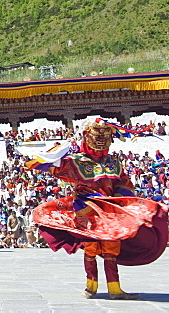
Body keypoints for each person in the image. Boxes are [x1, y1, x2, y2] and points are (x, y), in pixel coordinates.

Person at [26, 118, 168, 300]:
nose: (101, 140)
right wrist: (57, 151)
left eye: (105, 136)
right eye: (96, 135)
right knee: (91, 248)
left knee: (111, 247)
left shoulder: (114, 162)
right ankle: (90, 286)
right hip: (86, 209)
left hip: (110, 209)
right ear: (86, 137)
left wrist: (121, 199)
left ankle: (114, 288)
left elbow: (123, 182)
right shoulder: (75, 161)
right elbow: (43, 164)